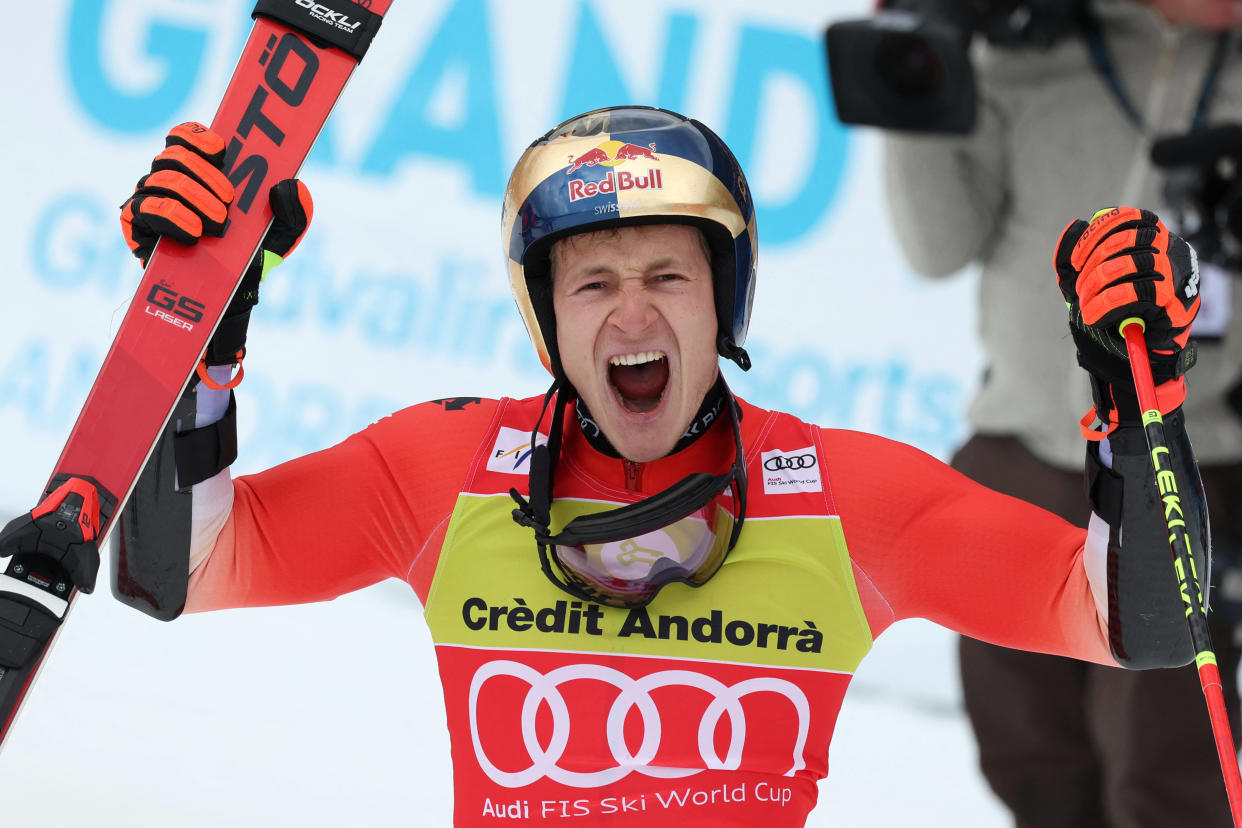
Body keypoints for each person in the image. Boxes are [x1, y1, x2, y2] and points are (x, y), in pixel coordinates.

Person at [113, 105, 1212, 828]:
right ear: (547, 318)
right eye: (593, 284)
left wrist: (1135, 399)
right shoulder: (450, 469)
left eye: (667, 278)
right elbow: (180, 570)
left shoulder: (844, 499)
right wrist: (200, 339)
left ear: (723, 298)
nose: (632, 314)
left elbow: (1137, 623)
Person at [882, 1, 1242, 826]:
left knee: (1165, 774)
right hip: (1022, 454)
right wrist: (912, 69)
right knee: (1028, 753)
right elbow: (937, 245)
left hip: (1199, 461)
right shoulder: (1025, 44)